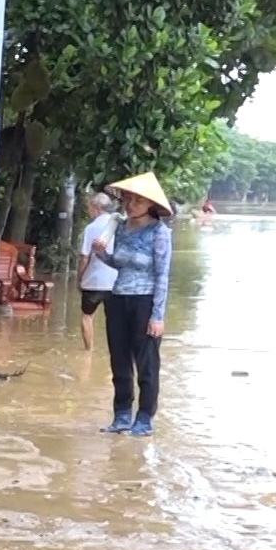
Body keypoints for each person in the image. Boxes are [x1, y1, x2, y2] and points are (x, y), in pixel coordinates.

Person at [91, 172, 174, 438]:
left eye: (138, 200)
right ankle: (122, 415)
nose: (131, 204)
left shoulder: (159, 232)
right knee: (119, 360)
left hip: (146, 302)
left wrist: (157, 316)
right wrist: (102, 255)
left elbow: (162, 275)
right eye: (128, 199)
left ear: (151, 204)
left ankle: (145, 418)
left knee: (147, 364)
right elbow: (121, 263)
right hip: (118, 298)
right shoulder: (122, 228)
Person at [76, 192, 120, 352]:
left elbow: (84, 257)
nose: (89, 211)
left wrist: (79, 279)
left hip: (93, 282)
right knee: (114, 320)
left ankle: (88, 351)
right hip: (115, 281)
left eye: (89, 208)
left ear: (96, 208)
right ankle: (115, 351)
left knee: (87, 317)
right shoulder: (119, 225)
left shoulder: (91, 228)